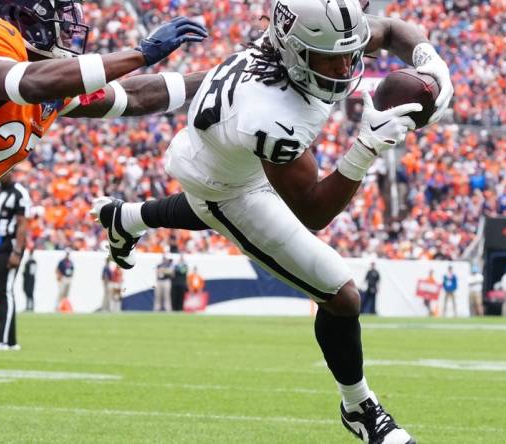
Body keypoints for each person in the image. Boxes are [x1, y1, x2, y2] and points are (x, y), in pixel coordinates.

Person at [92, 0, 453, 440]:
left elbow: (394, 29)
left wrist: (431, 63)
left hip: (226, 156)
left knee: (217, 210)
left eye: (350, 52)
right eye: (330, 57)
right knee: (341, 295)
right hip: (227, 184)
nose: (344, 67)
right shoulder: (270, 115)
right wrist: (365, 150)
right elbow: (315, 211)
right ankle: (359, 407)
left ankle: (125, 218)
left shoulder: (300, 42)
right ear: (296, 52)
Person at [0, 0, 207, 386]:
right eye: (56, 15)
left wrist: (226, 77)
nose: (68, 26)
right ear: (20, 15)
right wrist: (138, 53)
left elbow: (133, 97)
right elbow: (25, 82)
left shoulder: (52, 87)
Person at [0, 171, 29, 350]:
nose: (4, 175)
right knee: (2, 293)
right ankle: (9, 340)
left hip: (9, 245)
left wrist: (17, 252)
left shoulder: (19, 193)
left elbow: (23, 223)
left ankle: (0, 340)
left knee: (6, 292)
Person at [22, 247, 36, 312]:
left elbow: (31, 272)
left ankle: (31, 307)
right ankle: (28, 306)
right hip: (27, 279)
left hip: (30, 280)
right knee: (28, 293)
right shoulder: (30, 261)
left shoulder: (32, 261)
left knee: (30, 293)